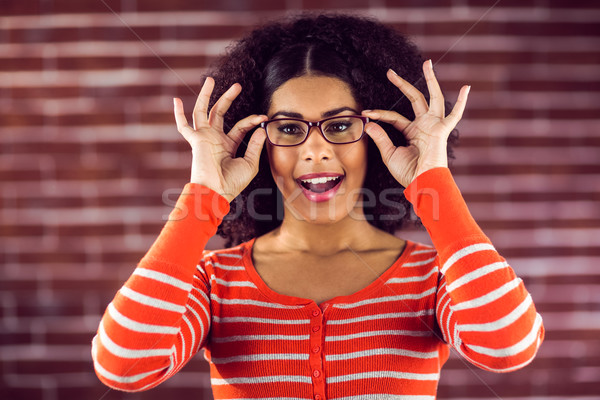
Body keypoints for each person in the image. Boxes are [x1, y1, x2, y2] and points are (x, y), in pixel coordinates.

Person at [92, 13, 544, 399]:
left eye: (341, 125)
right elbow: (123, 366)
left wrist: (432, 181)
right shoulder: (214, 282)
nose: (315, 151)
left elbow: (508, 346)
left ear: (377, 136)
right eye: (289, 129)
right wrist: (204, 192)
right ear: (257, 143)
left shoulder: (436, 278)